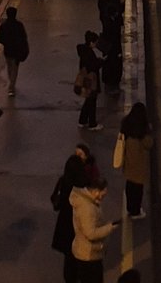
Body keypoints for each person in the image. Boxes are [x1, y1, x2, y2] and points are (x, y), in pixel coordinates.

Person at [51, 144, 96, 283]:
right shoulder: (83, 186)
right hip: (79, 225)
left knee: (69, 257)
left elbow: (55, 201)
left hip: (65, 224)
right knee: (80, 256)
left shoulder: (64, 181)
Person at [69, 177, 118, 282]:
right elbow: (90, 233)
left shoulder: (86, 201)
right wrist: (109, 228)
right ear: (96, 191)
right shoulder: (87, 208)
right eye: (103, 194)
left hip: (85, 252)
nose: (103, 197)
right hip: (89, 254)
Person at [118, 102, 152, 219]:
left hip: (128, 160)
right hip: (139, 163)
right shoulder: (143, 130)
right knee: (138, 189)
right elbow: (149, 144)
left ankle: (129, 208)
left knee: (130, 186)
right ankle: (135, 211)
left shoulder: (126, 125)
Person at [0, 5, 29, 96]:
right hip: (17, 50)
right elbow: (24, 37)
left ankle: (11, 83)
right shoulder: (19, 25)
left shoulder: (4, 25)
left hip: (8, 50)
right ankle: (12, 86)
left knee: (9, 67)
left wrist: (6, 42)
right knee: (15, 68)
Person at [76, 30, 104, 130]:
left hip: (86, 78)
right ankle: (92, 123)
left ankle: (82, 120)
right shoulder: (89, 53)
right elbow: (92, 66)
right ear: (91, 42)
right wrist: (100, 62)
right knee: (92, 100)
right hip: (91, 80)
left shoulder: (83, 51)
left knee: (88, 100)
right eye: (95, 42)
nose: (96, 45)